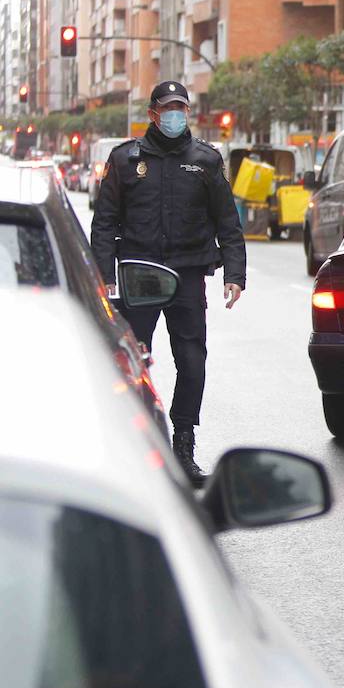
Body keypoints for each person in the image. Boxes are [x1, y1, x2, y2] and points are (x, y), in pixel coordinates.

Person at [91, 80, 246, 487]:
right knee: (129, 363)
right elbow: (104, 223)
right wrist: (105, 276)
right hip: (138, 277)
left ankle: (183, 444)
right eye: (168, 108)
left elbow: (228, 222)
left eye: (182, 108)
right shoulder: (126, 160)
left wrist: (235, 275)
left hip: (189, 274)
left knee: (192, 363)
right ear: (153, 114)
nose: (176, 115)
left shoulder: (206, 160)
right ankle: (128, 442)